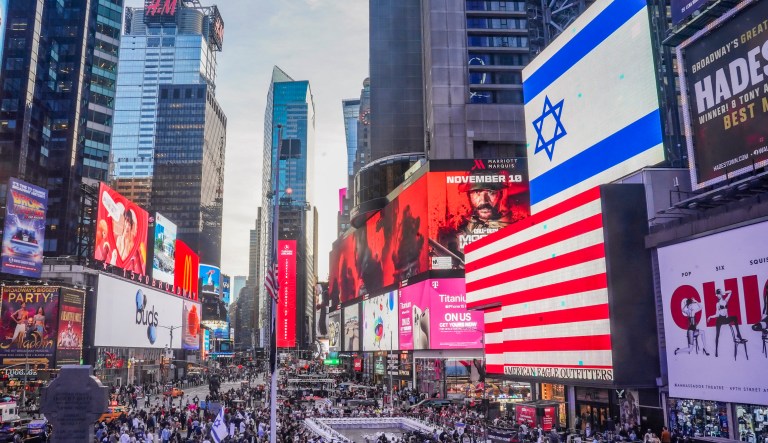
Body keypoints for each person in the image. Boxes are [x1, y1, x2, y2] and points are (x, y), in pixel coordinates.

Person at [708, 289, 747, 357]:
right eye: (717, 295)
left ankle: (738, 334)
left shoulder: (725, 301)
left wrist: (723, 292)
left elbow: (730, 292)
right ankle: (716, 351)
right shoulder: (717, 304)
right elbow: (717, 314)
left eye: (719, 294)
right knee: (717, 335)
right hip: (719, 319)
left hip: (725, 319)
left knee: (735, 318)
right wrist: (710, 317)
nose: (718, 296)